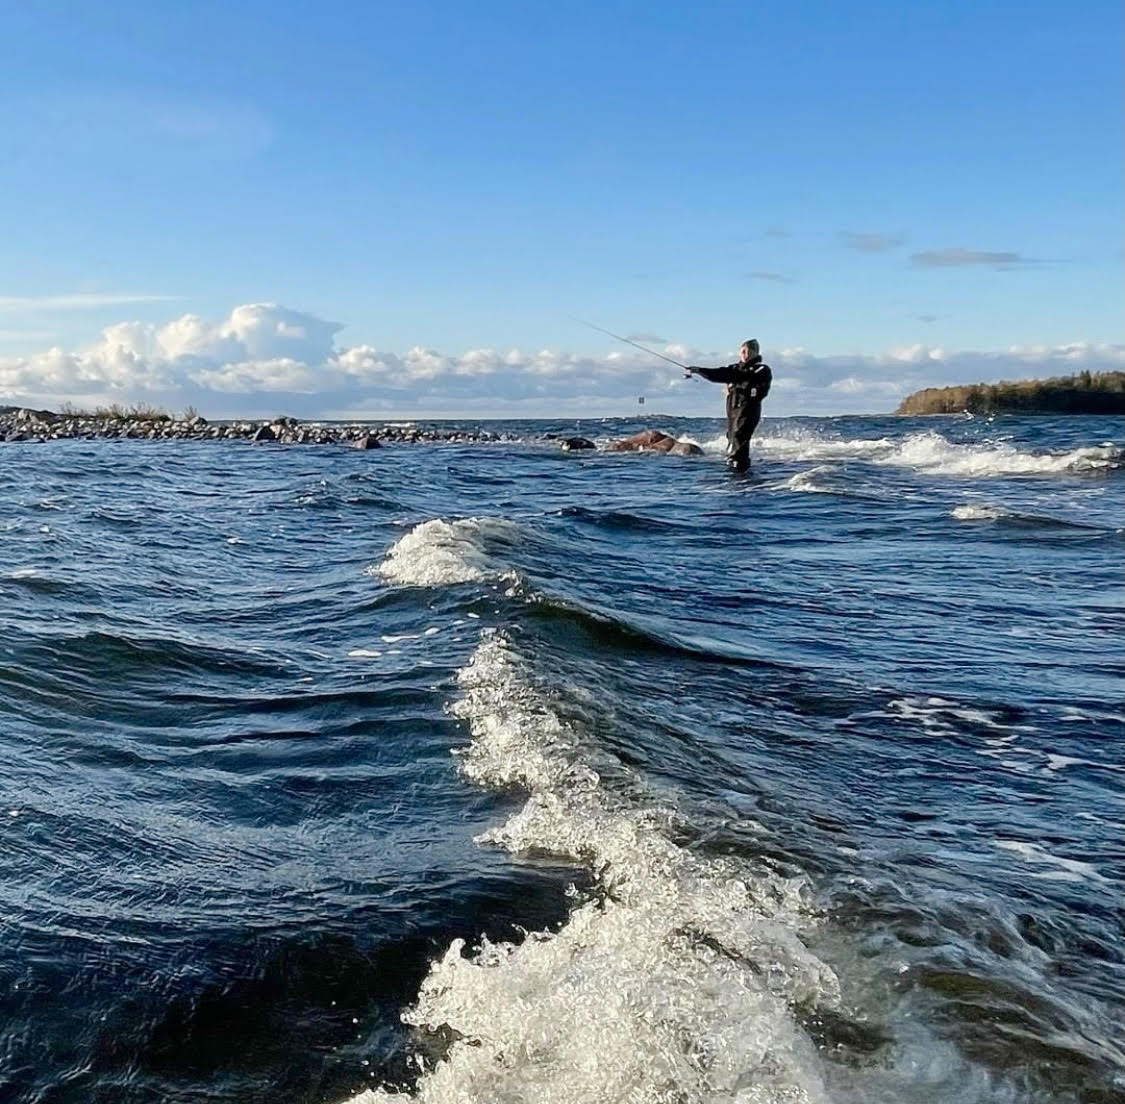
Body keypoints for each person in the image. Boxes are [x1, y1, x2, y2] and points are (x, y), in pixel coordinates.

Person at [686, 339, 772, 472]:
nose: (745, 354)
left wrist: (734, 389)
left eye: (748, 352)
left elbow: (744, 379)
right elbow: (720, 373)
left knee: (740, 435)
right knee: (732, 436)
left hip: (749, 409)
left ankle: (739, 469)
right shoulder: (733, 368)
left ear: (756, 353)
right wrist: (699, 370)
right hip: (733, 410)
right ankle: (733, 467)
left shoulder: (761, 369)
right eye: (743, 351)